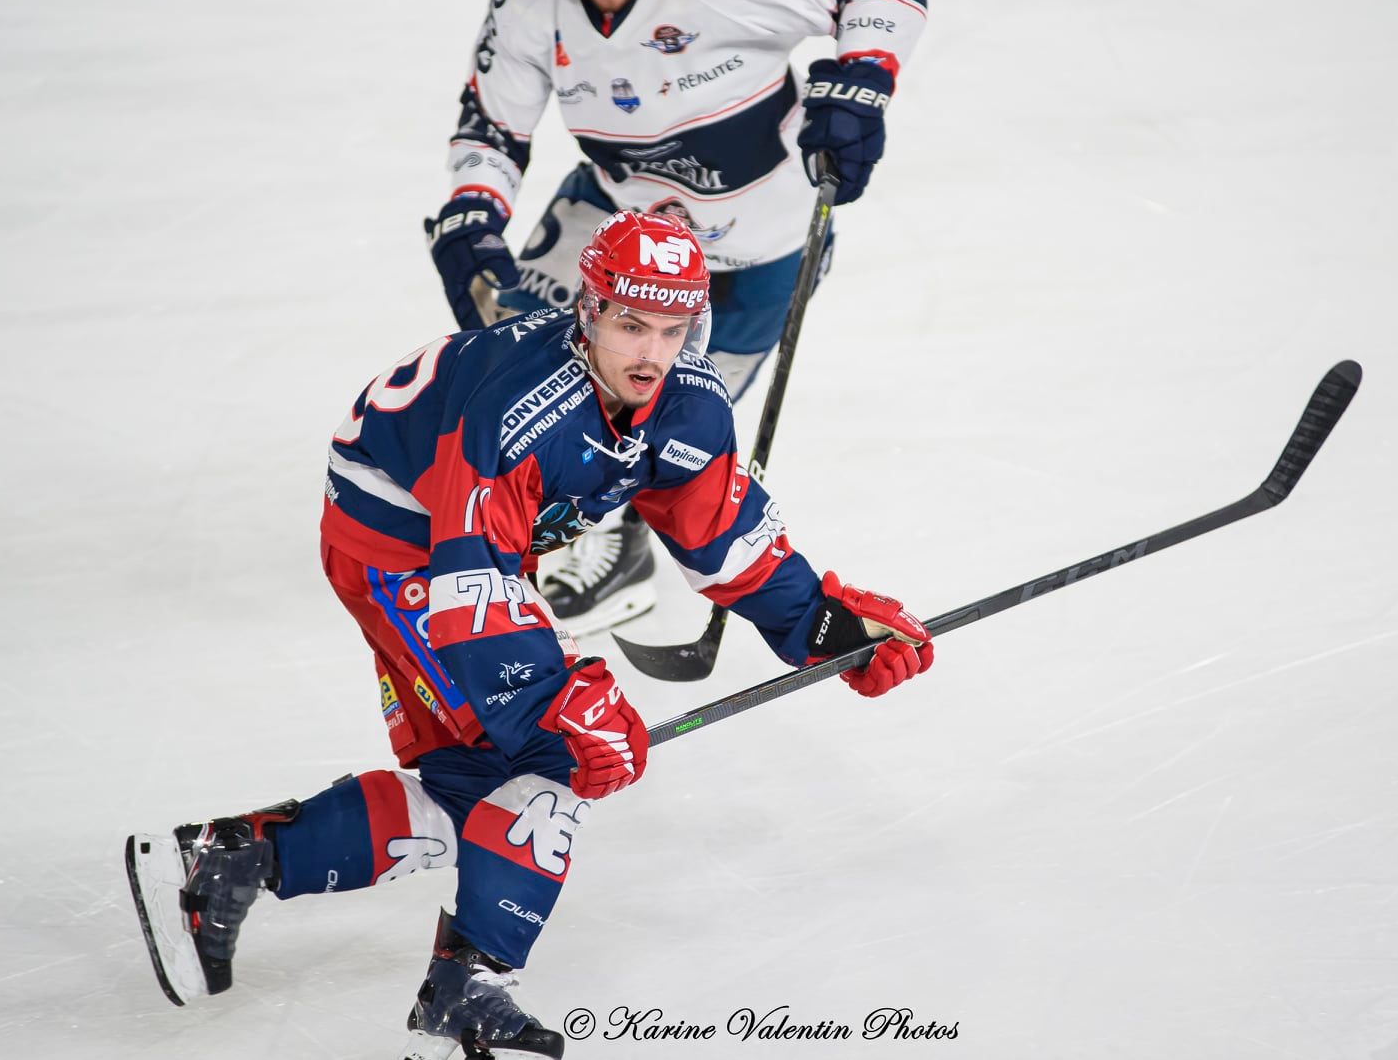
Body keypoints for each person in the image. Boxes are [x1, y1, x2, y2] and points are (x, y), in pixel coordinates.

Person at [126, 212, 934, 1059]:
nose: (651, 354)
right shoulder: (521, 411)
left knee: (487, 792)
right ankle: (464, 988)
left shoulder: (688, 401)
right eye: (630, 324)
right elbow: (468, 576)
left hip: (465, 550)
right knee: (549, 759)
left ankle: (229, 860)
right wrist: (553, 703)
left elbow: (724, 537)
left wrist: (829, 628)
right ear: (588, 311)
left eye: (672, 328)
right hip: (394, 534)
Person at [425, 0, 928, 637]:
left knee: (663, 420)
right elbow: (492, 125)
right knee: (516, 333)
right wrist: (472, 214)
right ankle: (532, 516)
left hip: (764, 248)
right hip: (621, 221)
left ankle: (614, 538)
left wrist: (863, 83)